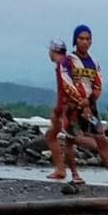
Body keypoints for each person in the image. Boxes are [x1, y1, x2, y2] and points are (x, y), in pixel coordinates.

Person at [60, 24, 108, 187]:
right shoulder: (67, 61)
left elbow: (98, 85)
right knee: (70, 140)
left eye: (87, 39)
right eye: (81, 39)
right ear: (75, 40)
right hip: (72, 107)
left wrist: (89, 101)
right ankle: (75, 174)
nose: (84, 42)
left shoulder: (94, 63)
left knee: (101, 139)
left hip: (90, 107)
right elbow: (66, 83)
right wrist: (80, 102)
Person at [45, 40, 73, 181]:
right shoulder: (67, 63)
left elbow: (64, 90)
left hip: (64, 107)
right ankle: (60, 168)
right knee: (51, 135)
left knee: (52, 136)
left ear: (53, 51)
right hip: (67, 106)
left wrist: (60, 110)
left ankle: (60, 169)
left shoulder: (61, 66)